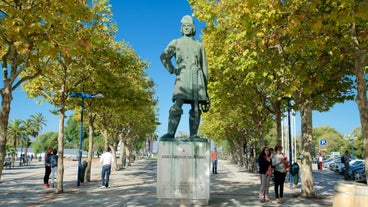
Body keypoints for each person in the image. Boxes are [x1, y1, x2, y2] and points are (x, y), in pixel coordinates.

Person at [160, 15, 209, 139]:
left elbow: (204, 67)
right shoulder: (176, 42)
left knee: (196, 107)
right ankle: (170, 133)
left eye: (189, 26)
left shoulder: (199, 46)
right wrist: (173, 70)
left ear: (193, 28)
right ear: (182, 28)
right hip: (182, 77)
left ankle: (194, 135)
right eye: (185, 26)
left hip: (197, 79)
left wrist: (205, 87)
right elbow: (164, 57)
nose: (187, 28)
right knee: (178, 104)